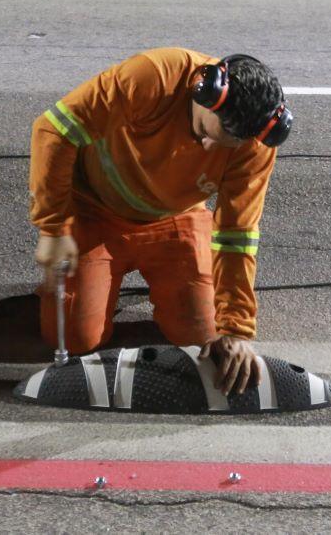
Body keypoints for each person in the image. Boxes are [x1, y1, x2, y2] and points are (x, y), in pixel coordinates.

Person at [29, 47, 291, 396]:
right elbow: (55, 130)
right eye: (203, 133)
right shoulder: (152, 77)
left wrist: (237, 329)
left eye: (225, 146)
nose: (209, 150)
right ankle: (77, 283)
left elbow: (237, 234)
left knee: (205, 338)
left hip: (175, 219)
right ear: (204, 90)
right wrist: (54, 227)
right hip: (94, 211)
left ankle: (144, 280)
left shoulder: (255, 139)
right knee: (77, 339)